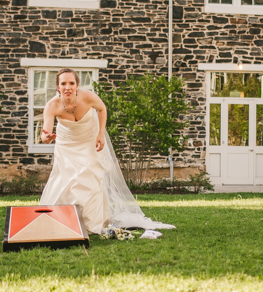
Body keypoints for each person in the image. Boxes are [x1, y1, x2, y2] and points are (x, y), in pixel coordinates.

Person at [39, 68, 174, 234]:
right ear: (58, 87)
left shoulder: (88, 97)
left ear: (77, 85)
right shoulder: (52, 105)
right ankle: (68, 221)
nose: (68, 87)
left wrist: (101, 134)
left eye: (71, 83)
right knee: (68, 181)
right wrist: (46, 138)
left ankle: (92, 223)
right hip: (67, 145)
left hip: (89, 139)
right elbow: (45, 133)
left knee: (90, 177)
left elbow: (102, 109)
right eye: (63, 83)